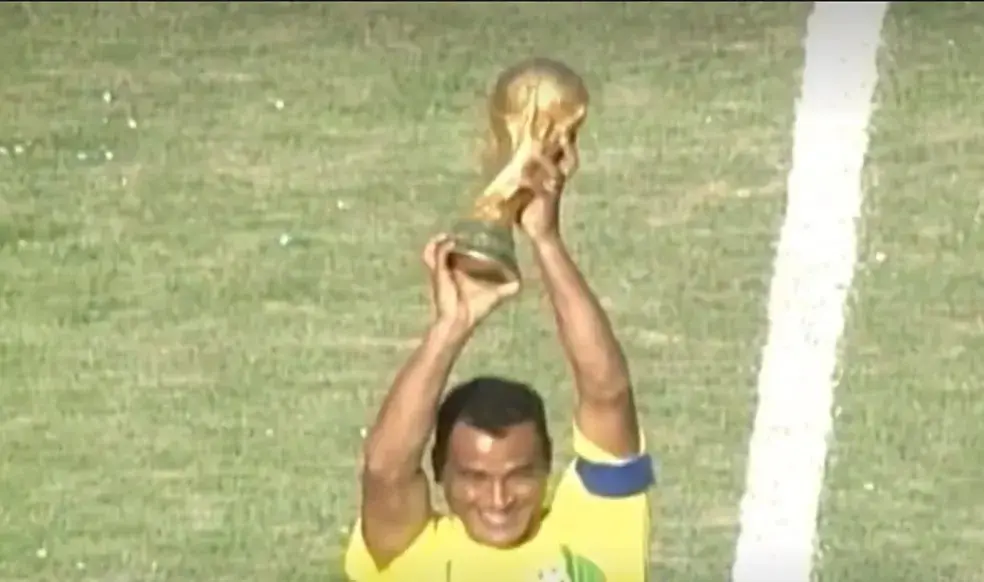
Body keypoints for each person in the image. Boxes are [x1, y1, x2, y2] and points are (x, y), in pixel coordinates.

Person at [344, 148, 656, 582]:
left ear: (549, 467)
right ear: (440, 472)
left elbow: (609, 395)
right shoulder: (411, 559)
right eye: (474, 477)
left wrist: (545, 241)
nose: (498, 499)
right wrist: (450, 327)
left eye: (520, 475)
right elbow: (385, 469)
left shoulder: (591, 536)